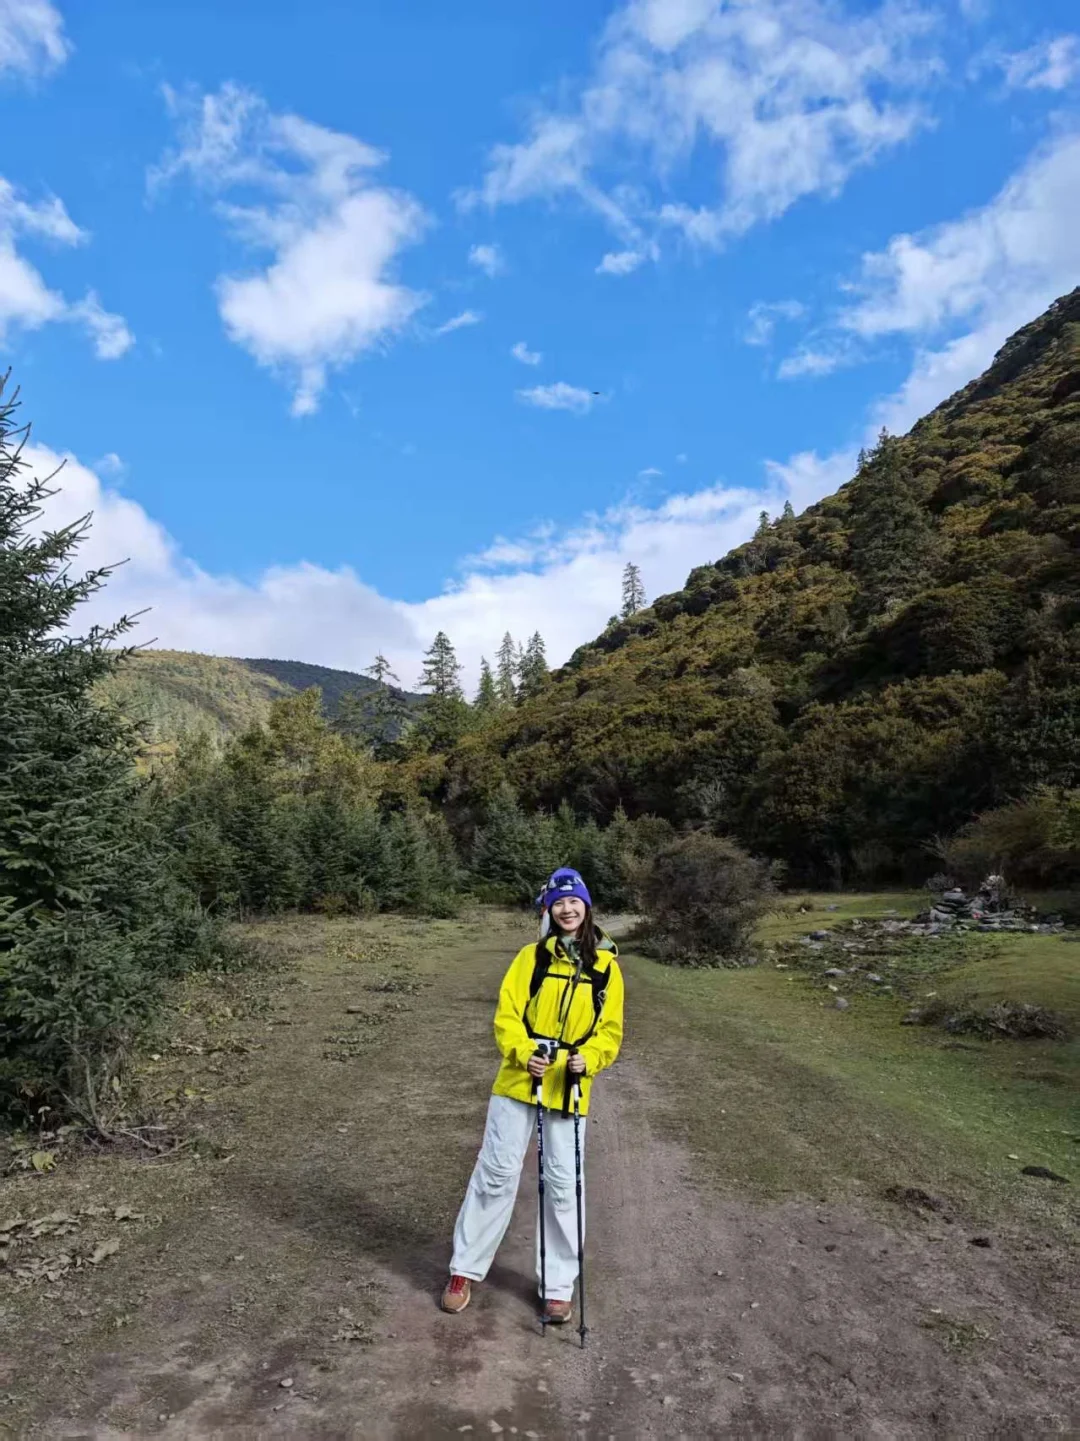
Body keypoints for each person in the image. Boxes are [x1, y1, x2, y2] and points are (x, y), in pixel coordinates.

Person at [441, 867, 624, 1323]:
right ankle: (464, 1270)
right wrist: (525, 1053)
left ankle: (558, 1286)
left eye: (574, 901)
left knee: (563, 1186)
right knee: (497, 1174)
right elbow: (507, 1016)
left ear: (586, 907)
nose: (567, 909)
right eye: (558, 902)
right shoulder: (530, 958)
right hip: (519, 1080)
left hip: (569, 1088)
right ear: (548, 910)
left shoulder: (606, 968)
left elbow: (610, 1032)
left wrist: (590, 1059)